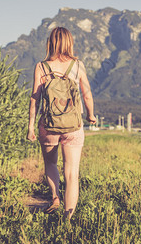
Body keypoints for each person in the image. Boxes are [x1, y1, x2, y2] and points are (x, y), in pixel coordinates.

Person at [27, 27, 96, 219]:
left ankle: (55, 197)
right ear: (69, 42)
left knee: (50, 163)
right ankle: (68, 216)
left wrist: (30, 126)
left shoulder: (41, 66)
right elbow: (87, 95)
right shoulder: (77, 65)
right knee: (72, 173)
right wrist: (91, 114)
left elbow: (35, 99)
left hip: (48, 126)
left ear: (50, 42)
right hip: (73, 126)